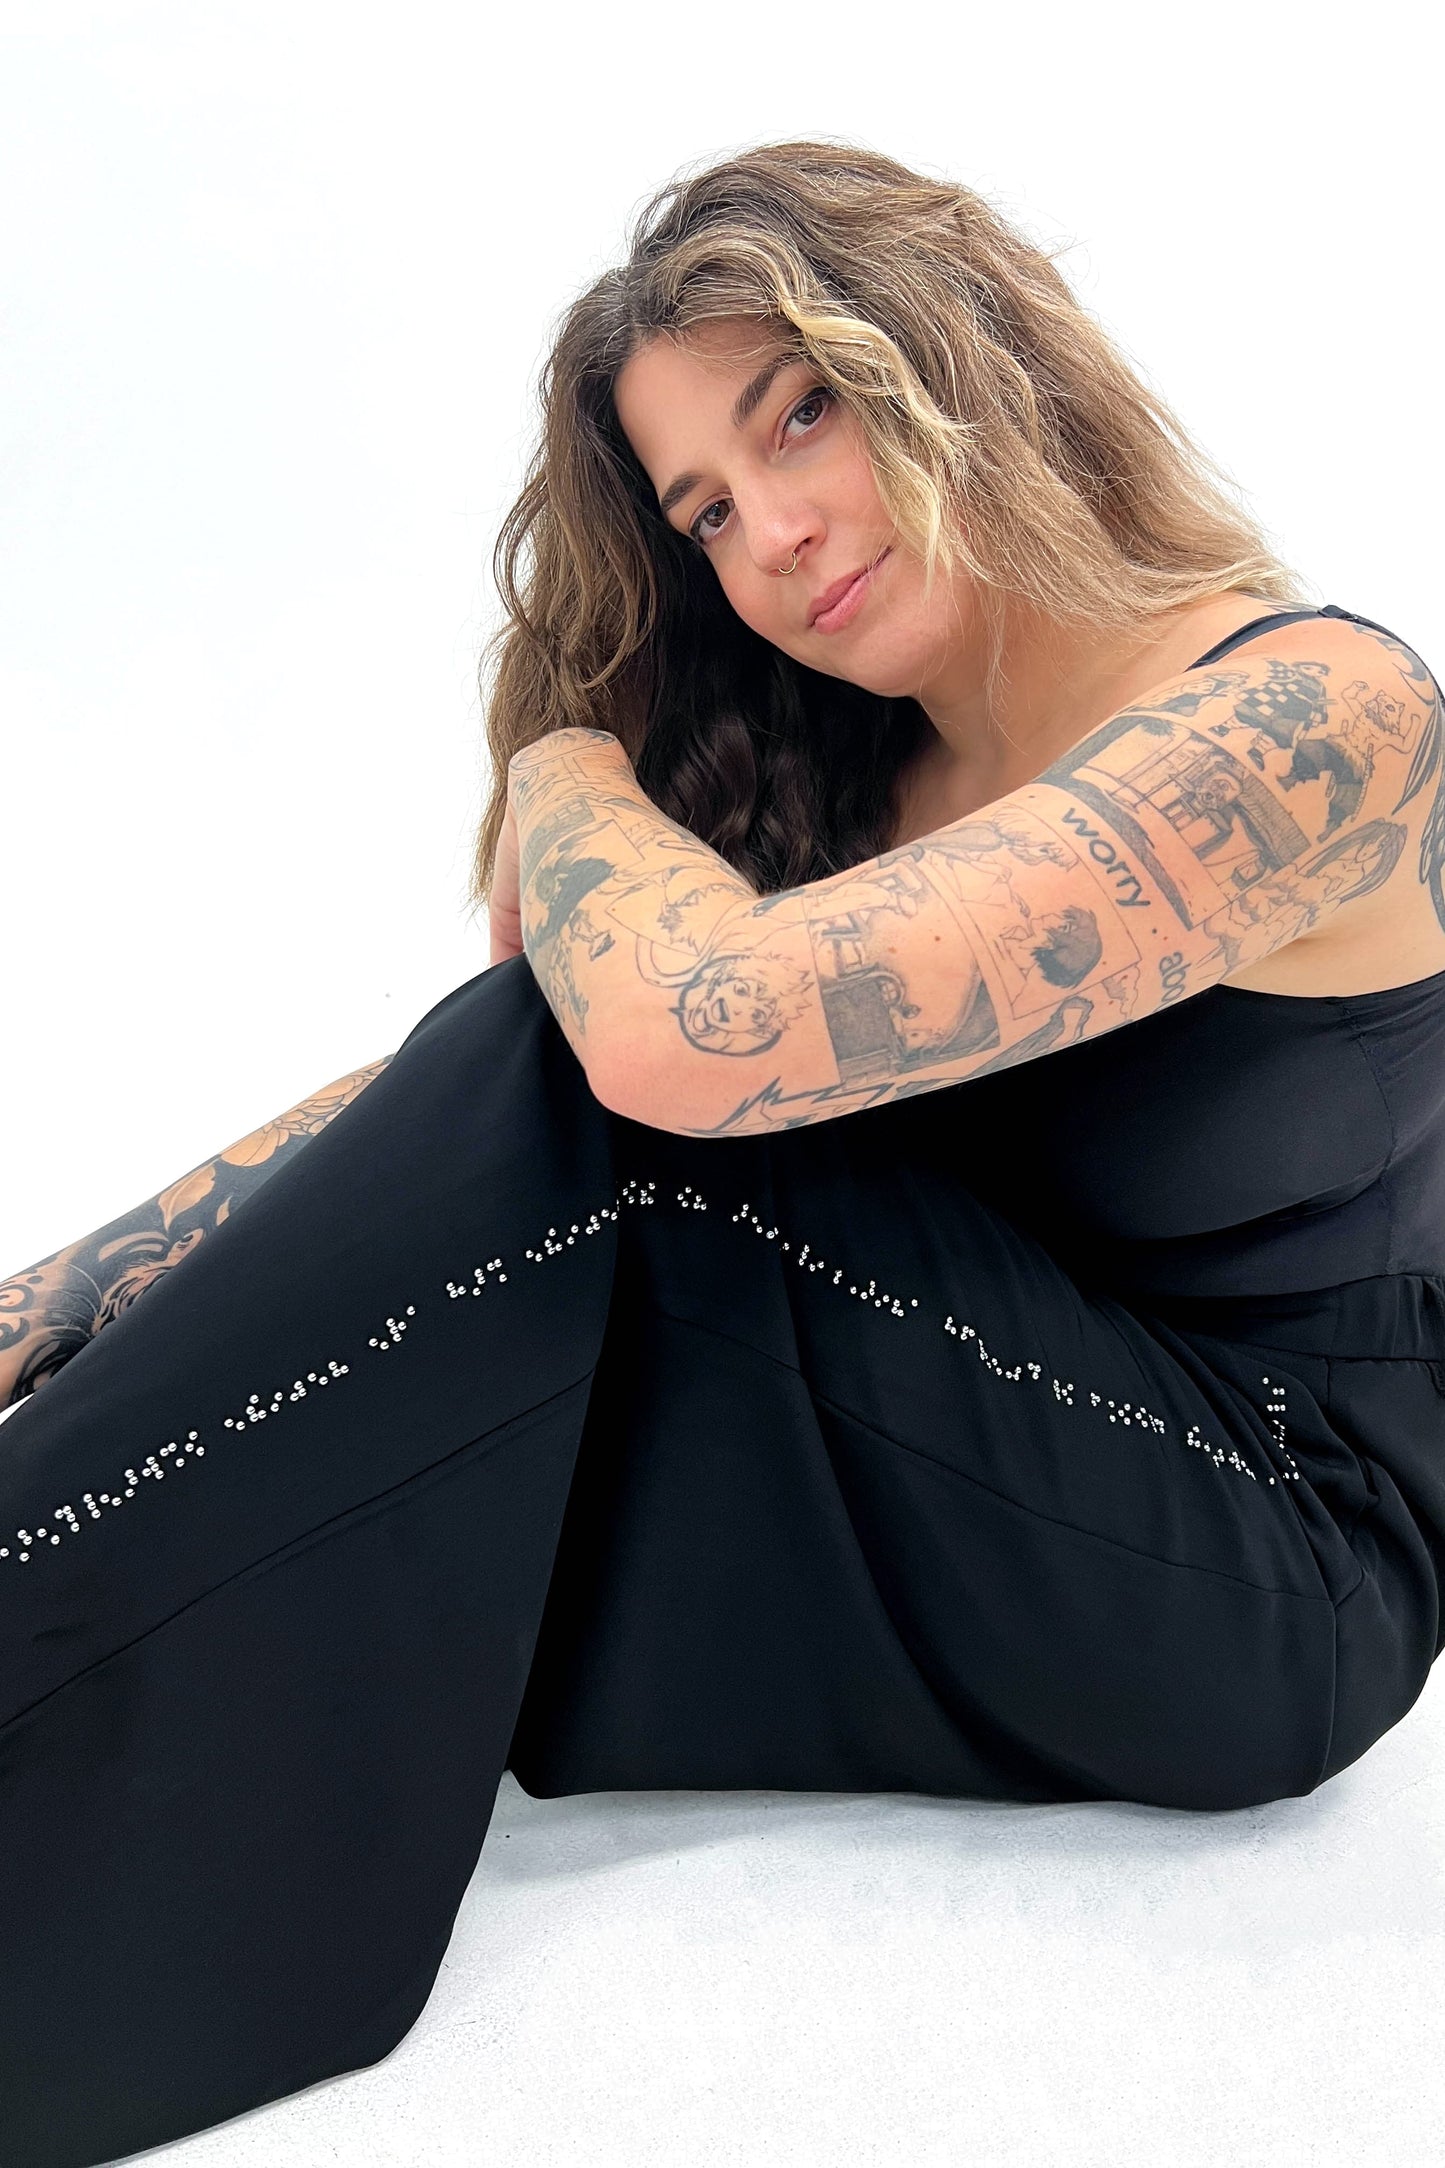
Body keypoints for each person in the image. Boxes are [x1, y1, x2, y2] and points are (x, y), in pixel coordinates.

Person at [2, 138, 1442, 2167]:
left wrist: (563, 765)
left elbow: (696, 1036)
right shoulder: (873, 788)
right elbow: (478, 1125)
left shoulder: (1318, 714)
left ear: (966, 352)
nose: (768, 532)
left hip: (1265, 1559)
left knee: (610, 1096)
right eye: (701, 508)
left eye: (804, 413)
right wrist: (40, 1304)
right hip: (993, 1472)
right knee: (495, 1223)